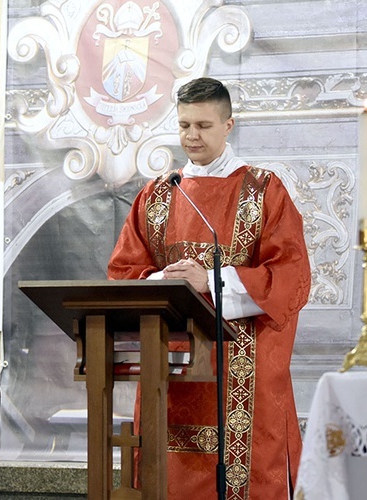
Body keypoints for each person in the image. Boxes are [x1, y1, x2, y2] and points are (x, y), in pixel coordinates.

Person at [108, 77, 311, 498]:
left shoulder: (262, 191)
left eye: (203, 125)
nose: (191, 136)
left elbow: (291, 278)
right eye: (184, 125)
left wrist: (212, 282)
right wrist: (168, 281)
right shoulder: (160, 195)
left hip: (244, 373)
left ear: (229, 125)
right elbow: (123, 272)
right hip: (174, 369)